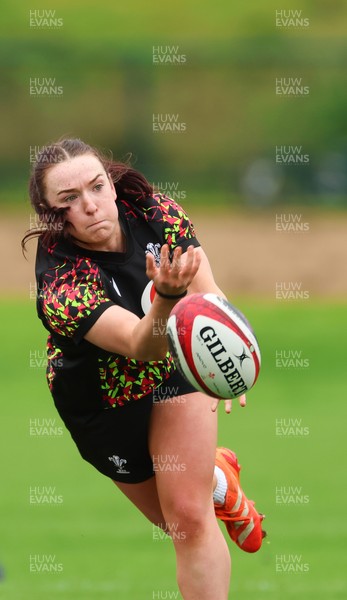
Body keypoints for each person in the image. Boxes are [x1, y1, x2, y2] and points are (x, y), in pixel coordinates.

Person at [22, 138, 265, 600]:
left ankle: (203, 486)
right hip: (101, 400)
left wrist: (225, 361)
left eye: (96, 187)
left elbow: (209, 297)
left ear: (112, 185)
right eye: (69, 200)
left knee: (190, 521)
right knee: (171, 522)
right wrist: (169, 297)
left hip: (174, 372)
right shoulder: (60, 280)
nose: (91, 206)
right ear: (53, 215)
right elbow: (140, 345)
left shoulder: (154, 211)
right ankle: (218, 480)